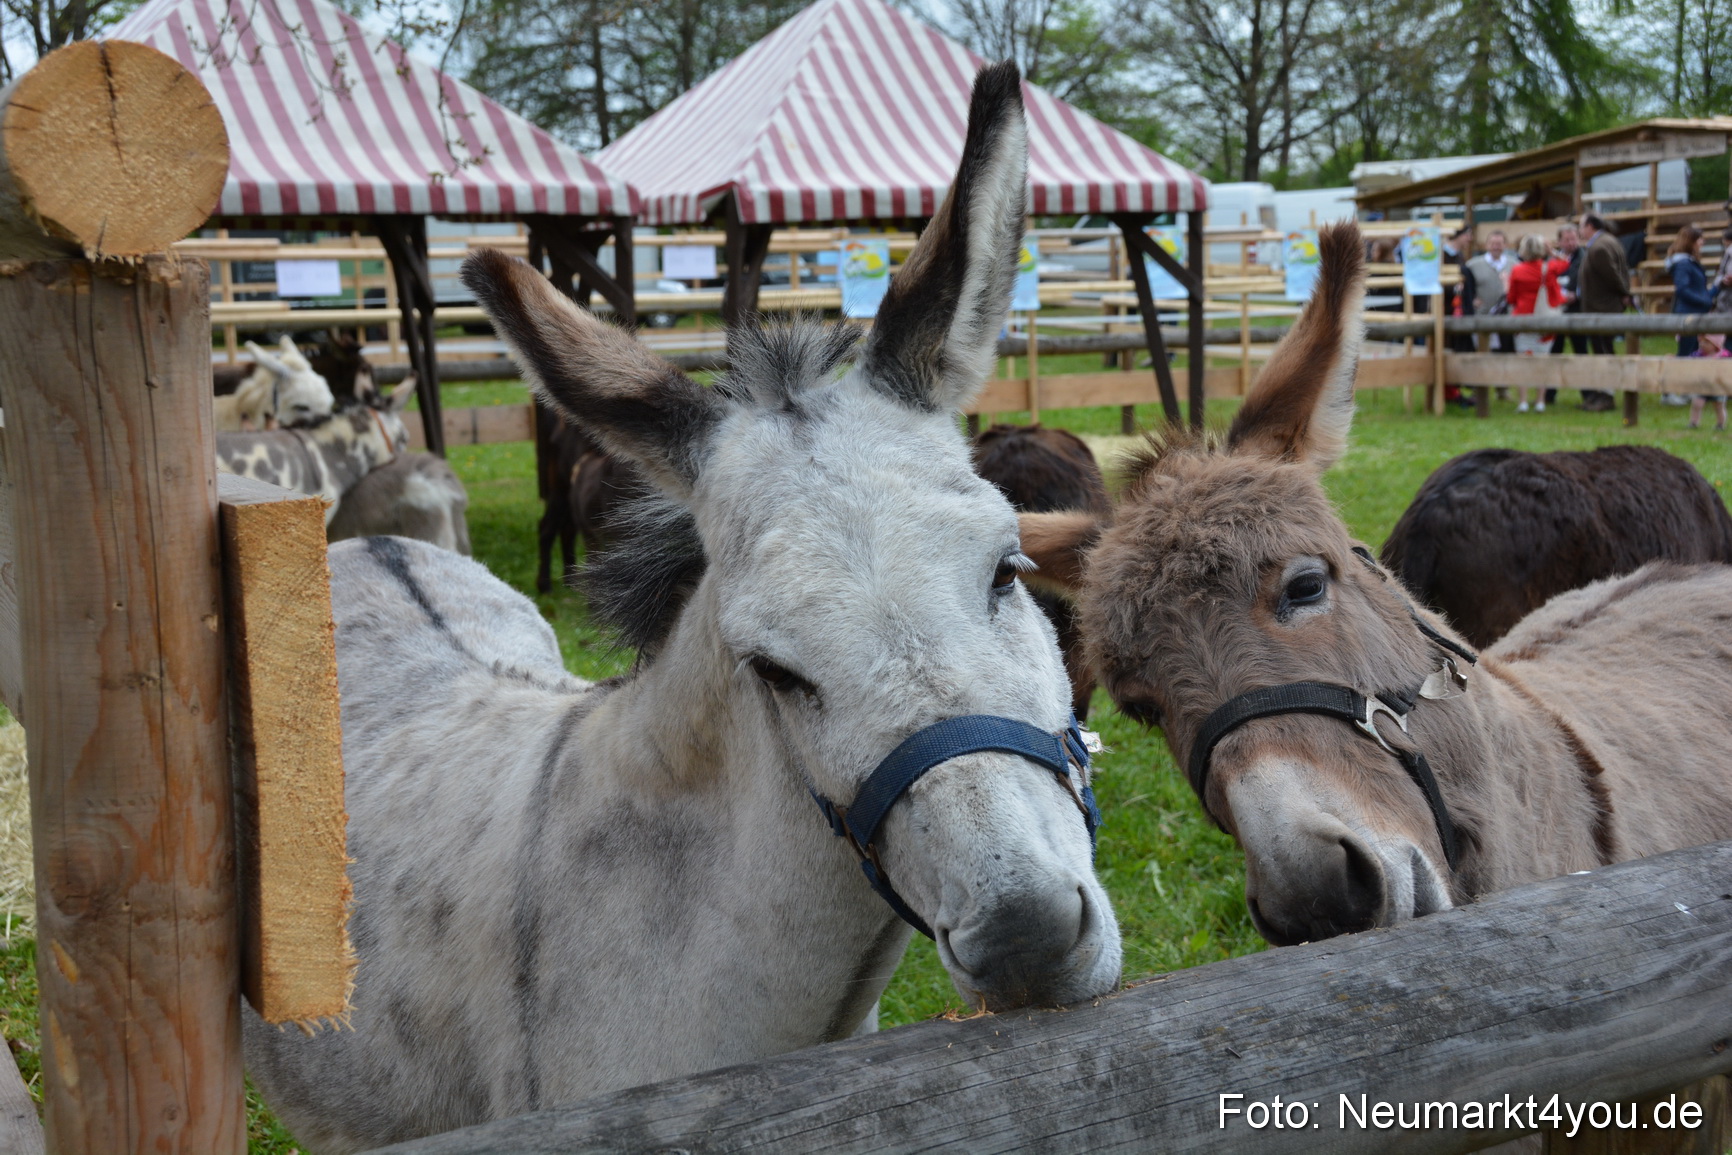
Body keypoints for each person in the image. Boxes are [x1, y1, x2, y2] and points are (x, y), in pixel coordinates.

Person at [1668, 225, 1727, 431]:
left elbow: (1700, 292)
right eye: (1700, 239)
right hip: (1687, 315)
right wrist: (1703, 301)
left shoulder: (1691, 263)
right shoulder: (1683, 264)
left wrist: (1718, 285)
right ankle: (1669, 391)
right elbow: (1683, 289)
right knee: (1685, 353)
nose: (1702, 243)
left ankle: (1685, 388)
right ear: (1691, 241)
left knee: (1693, 351)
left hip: (1697, 313)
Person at [1576, 213, 1632, 411]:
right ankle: (1601, 393)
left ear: (1590, 226)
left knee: (1604, 353)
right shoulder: (1608, 241)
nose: (1579, 231)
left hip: (1601, 309)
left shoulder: (1600, 246)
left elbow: (1612, 275)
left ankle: (1606, 396)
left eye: (1581, 226)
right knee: (1602, 351)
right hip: (1602, 307)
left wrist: (1624, 292)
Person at [1505, 234, 1564, 411]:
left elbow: (1511, 298)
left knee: (1523, 361)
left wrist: (1504, 285)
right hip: (1545, 320)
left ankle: (1523, 401)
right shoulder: (1550, 268)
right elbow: (1566, 262)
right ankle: (1540, 401)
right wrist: (1552, 251)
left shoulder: (1517, 270)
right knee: (1542, 361)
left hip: (1523, 320)